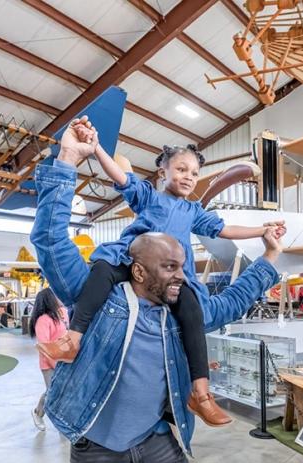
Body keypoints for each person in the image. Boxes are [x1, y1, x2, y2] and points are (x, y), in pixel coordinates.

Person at [30, 117, 285, 463]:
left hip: (156, 442)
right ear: (139, 267)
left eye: (184, 264)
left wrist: (267, 256)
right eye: (171, 266)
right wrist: (67, 163)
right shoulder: (101, 290)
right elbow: (49, 239)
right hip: (96, 447)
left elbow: (235, 297)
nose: (182, 275)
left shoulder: (181, 311)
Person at [38, 118, 284, 428]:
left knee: (193, 312)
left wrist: (265, 234)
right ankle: (72, 338)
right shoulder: (150, 198)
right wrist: (93, 148)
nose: (188, 177)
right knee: (101, 271)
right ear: (162, 172)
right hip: (127, 257)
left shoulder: (193, 212)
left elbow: (225, 232)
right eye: (181, 169)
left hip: (172, 286)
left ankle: (201, 392)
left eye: (194, 173)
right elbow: (120, 177)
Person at [29, 288, 68, 431]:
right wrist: (54, 363)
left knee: (63, 391)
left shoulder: (62, 313)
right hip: (49, 364)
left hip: (64, 360)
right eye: (56, 296)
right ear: (49, 300)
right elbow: (44, 346)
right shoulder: (43, 321)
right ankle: (38, 413)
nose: (59, 298)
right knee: (52, 392)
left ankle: (62, 421)